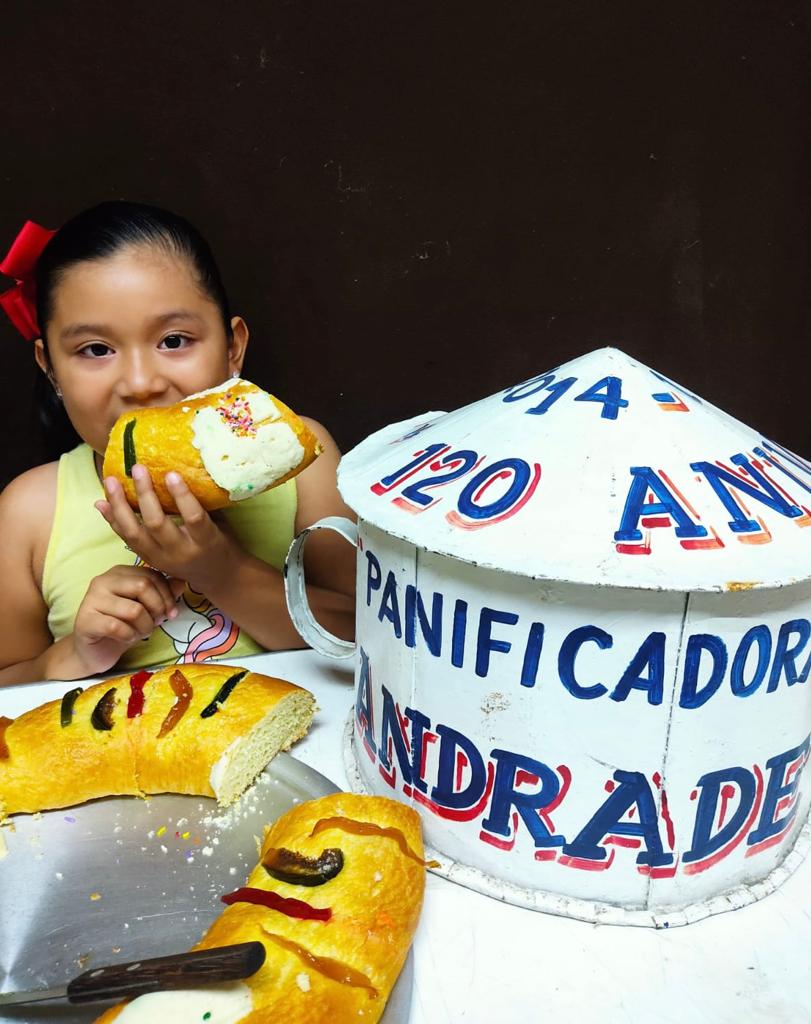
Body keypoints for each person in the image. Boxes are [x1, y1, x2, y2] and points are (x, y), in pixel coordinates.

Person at [0, 202, 356, 685]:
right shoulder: (29, 512)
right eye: (96, 350)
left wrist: (222, 571)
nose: (141, 383)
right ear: (50, 369)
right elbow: (8, 682)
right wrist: (71, 657)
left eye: (173, 341)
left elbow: (373, 631)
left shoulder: (301, 462)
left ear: (232, 349)